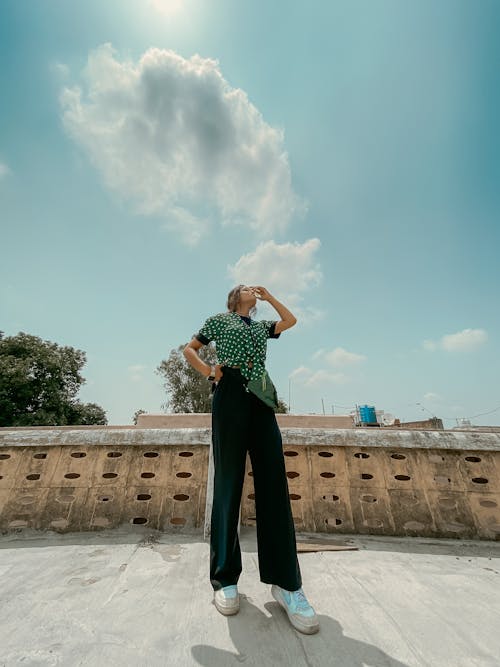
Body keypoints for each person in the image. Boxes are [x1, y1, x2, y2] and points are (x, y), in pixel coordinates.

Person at [183, 284, 319, 635]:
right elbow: (190, 349)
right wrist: (210, 372)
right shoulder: (218, 321)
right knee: (228, 482)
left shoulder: (260, 327)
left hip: (260, 395)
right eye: (245, 287)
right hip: (228, 394)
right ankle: (225, 579)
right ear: (233, 296)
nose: (250, 289)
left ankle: (287, 584)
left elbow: (290, 320)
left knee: (274, 481)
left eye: (252, 288)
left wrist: (270, 296)